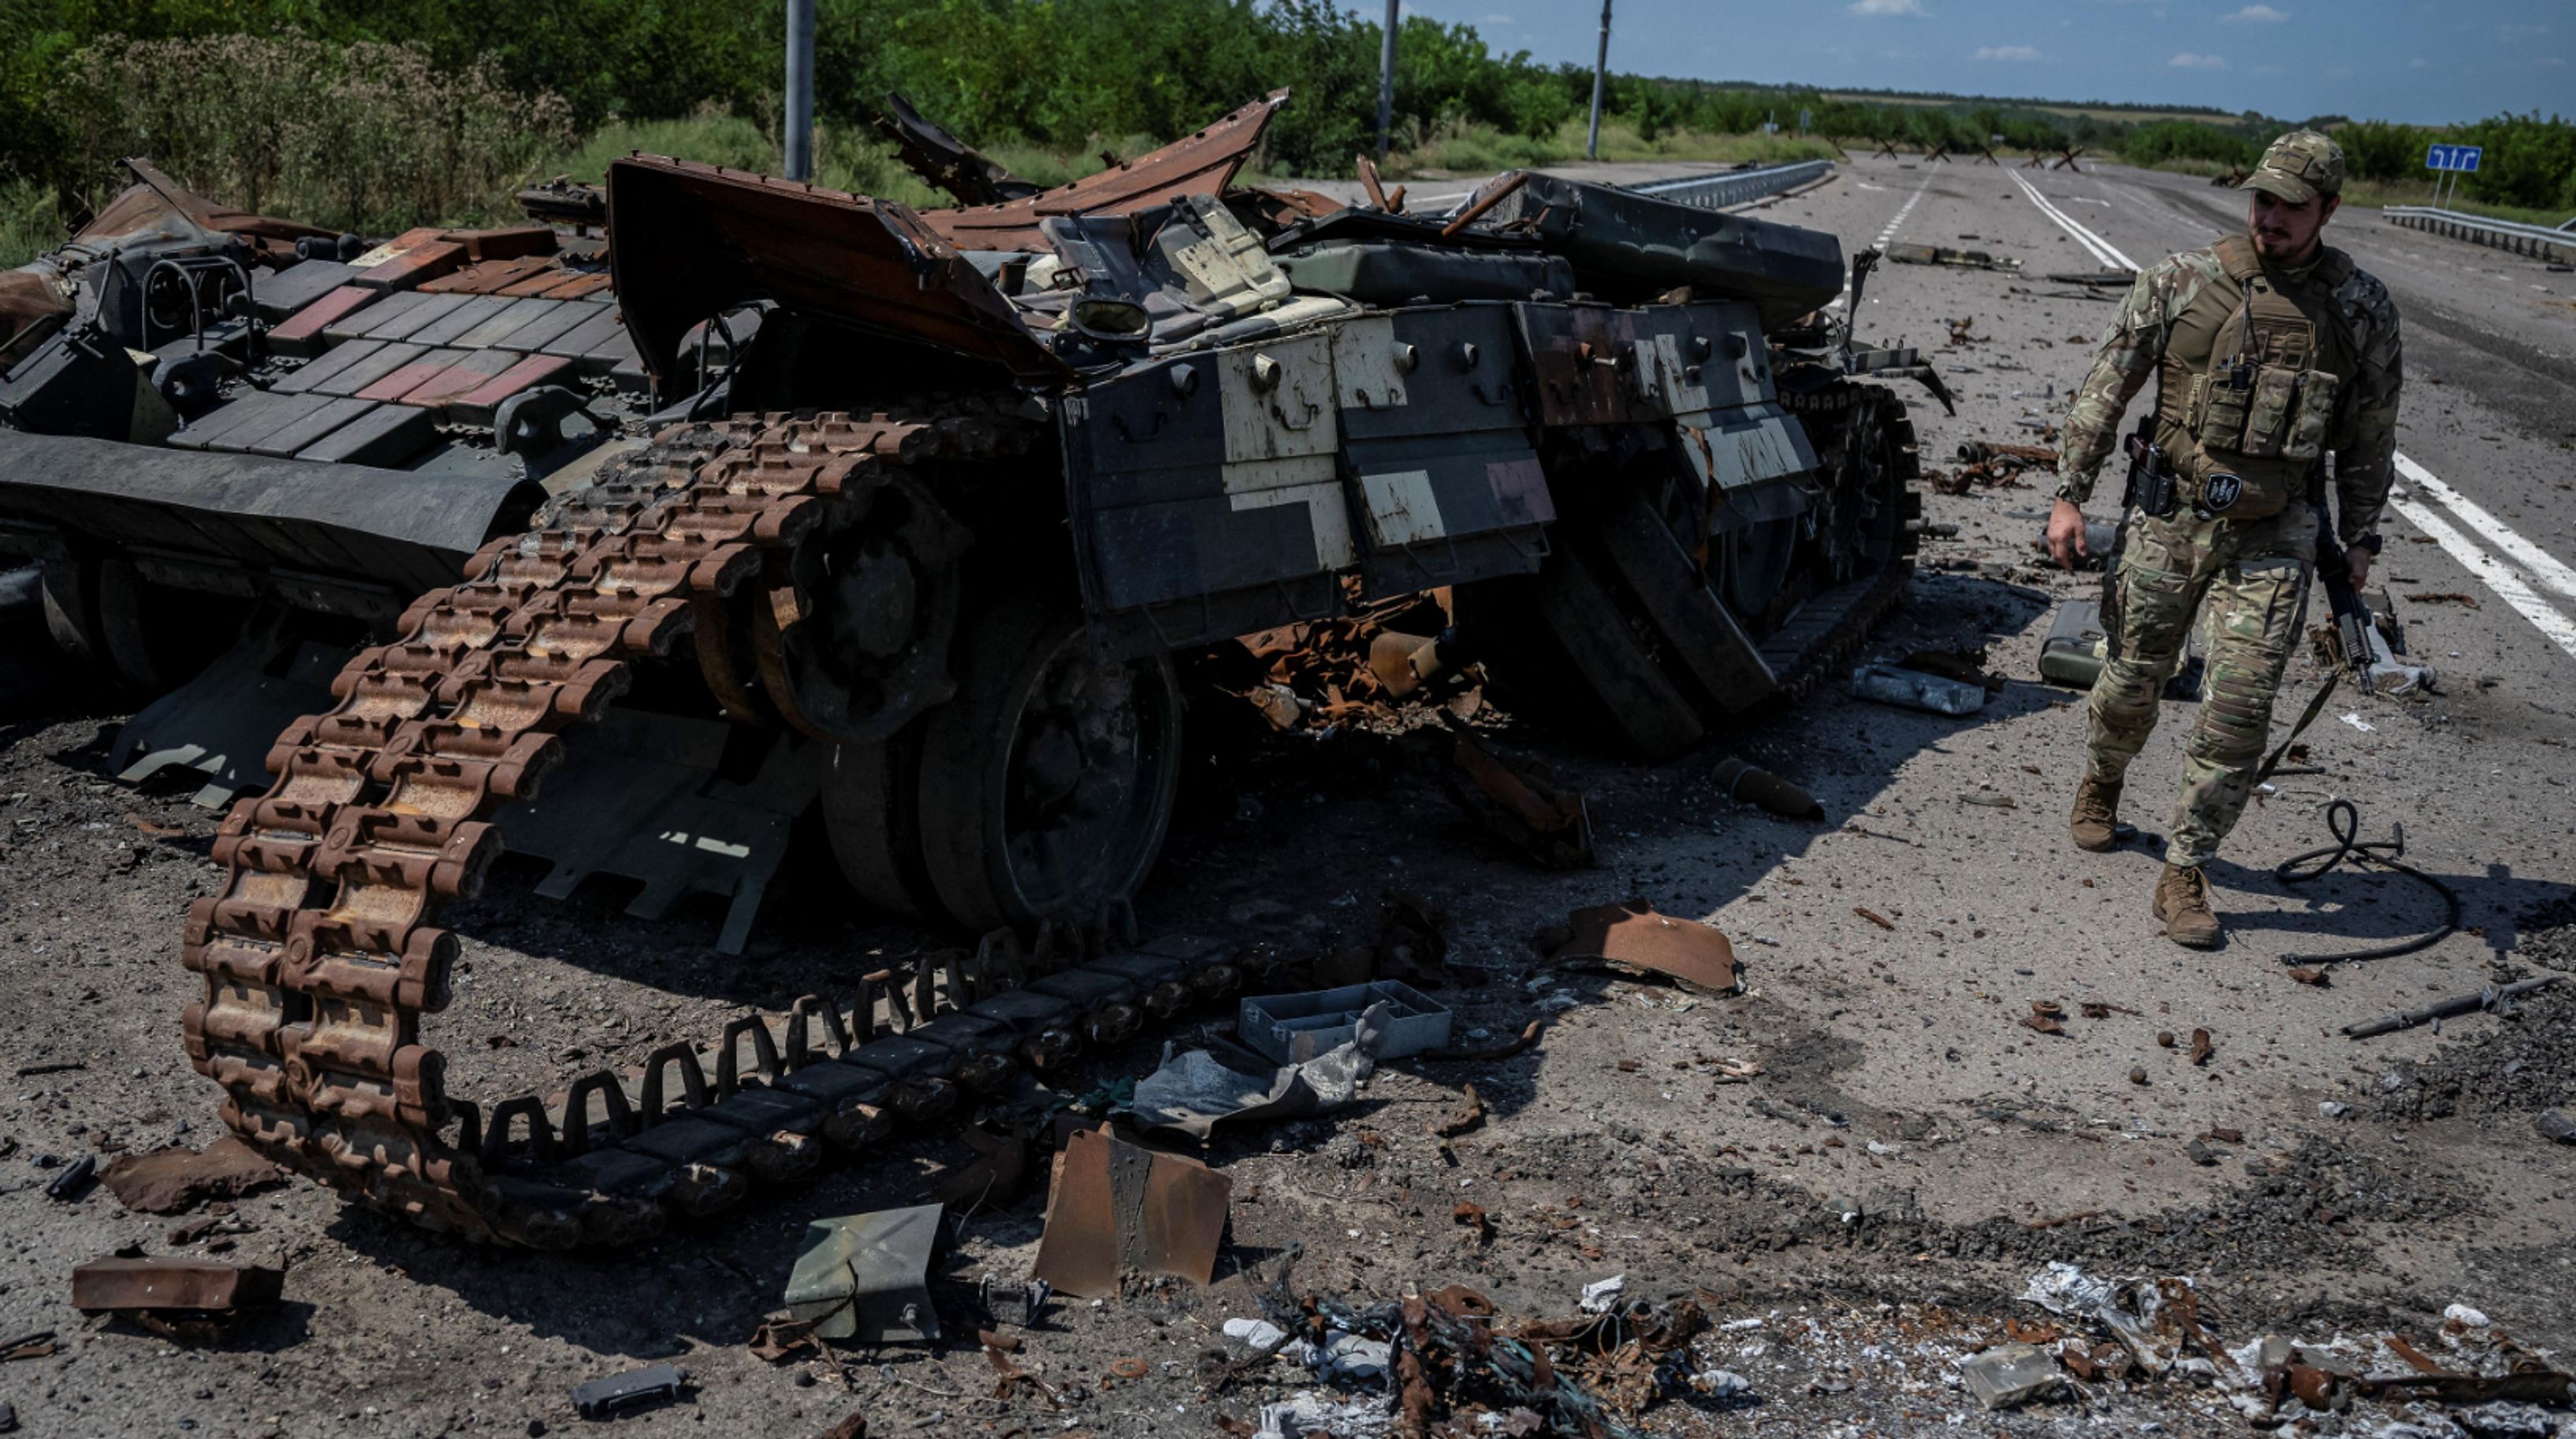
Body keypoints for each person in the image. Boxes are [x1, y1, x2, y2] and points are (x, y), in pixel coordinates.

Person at [2044, 129, 2402, 948]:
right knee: (2134, 677)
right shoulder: (2182, 280)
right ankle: (2102, 780)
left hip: (2276, 531)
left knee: (2239, 709)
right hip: (2170, 519)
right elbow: (2109, 381)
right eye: (2261, 199)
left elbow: (2371, 432)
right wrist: (2069, 494)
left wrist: (2361, 535)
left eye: (2290, 205)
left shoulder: (2357, 308)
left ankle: (2185, 866)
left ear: (2329, 211)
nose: (2268, 216)